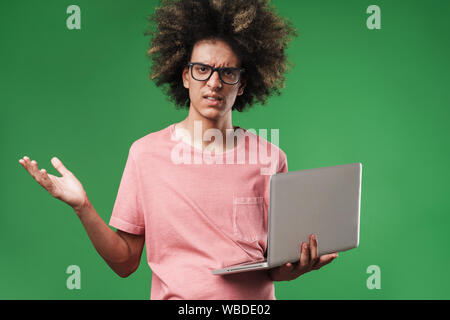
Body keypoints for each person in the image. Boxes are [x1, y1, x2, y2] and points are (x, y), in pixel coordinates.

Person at [18, 0, 338, 299]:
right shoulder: (145, 155)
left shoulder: (270, 157)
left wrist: (296, 267)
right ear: (185, 75)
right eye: (202, 70)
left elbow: (274, 268)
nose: (214, 83)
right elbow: (125, 262)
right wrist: (82, 206)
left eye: (227, 73)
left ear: (241, 84)